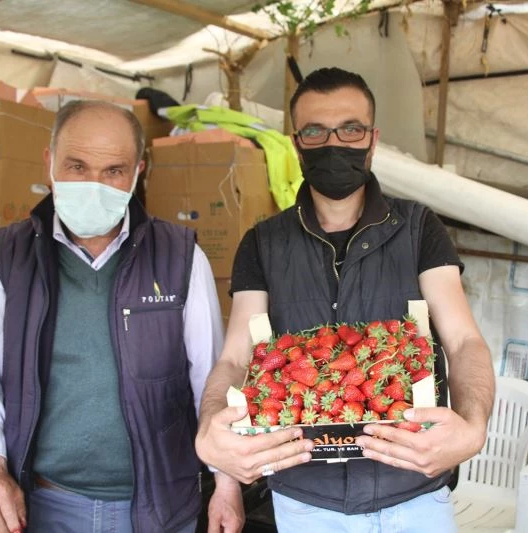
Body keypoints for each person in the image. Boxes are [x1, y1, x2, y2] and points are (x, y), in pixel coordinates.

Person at [195, 67, 495, 532]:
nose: (334, 143)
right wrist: (214, 441)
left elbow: (462, 341)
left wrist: (473, 427)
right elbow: (236, 358)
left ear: (372, 139)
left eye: (350, 129)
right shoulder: (263, 243)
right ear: (296, 142)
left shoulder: (418, 229)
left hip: (414, 495)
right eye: (315, 131)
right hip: (302, 503)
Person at [0, 100, 243, 533]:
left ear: (139, 171)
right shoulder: (6, 261)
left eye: (113, 171)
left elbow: (212, 383)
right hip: (44, 505)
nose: (93, 184)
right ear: (49, 162)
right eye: (77, 166)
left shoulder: (181, 257)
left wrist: (227, 483)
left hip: (161, 504)